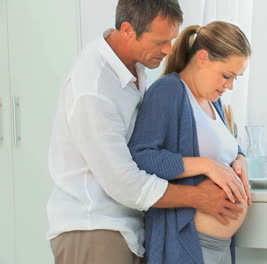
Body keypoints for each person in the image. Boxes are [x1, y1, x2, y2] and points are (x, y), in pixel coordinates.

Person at [46, 1, 247, 263]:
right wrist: (199, 195)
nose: (169, 49)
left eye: (171, 39)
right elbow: (125, 177)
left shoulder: (135, 70)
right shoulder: (94, 88)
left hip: (128, 229)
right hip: (94, 226)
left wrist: (238, 160)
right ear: (128, 30)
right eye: (159, 41)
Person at [128, 21, 252, 264]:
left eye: (235, 78)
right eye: (226, 76)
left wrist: (241, 159)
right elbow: (141, 156)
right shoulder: (169, 91)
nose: (230, 86)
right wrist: (206, 165)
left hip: (221, 245)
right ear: (203, 58)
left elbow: (226, 147)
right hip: (188, 242)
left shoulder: (212, 100)